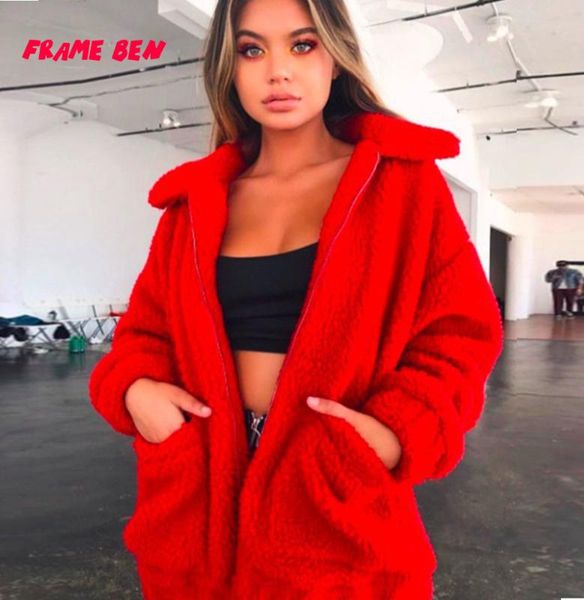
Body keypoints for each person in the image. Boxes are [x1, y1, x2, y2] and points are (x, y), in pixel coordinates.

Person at [88, 0, 504, 597]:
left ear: (335, 58)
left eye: (302, 45)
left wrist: (392, 433)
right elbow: (145, 333)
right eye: (252, 50)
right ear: (229, 68)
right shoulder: (194, 202)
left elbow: (459, 333)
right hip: (198, 492)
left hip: (335, 491)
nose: (277, 70)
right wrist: (137, 392)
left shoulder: (400, 183)